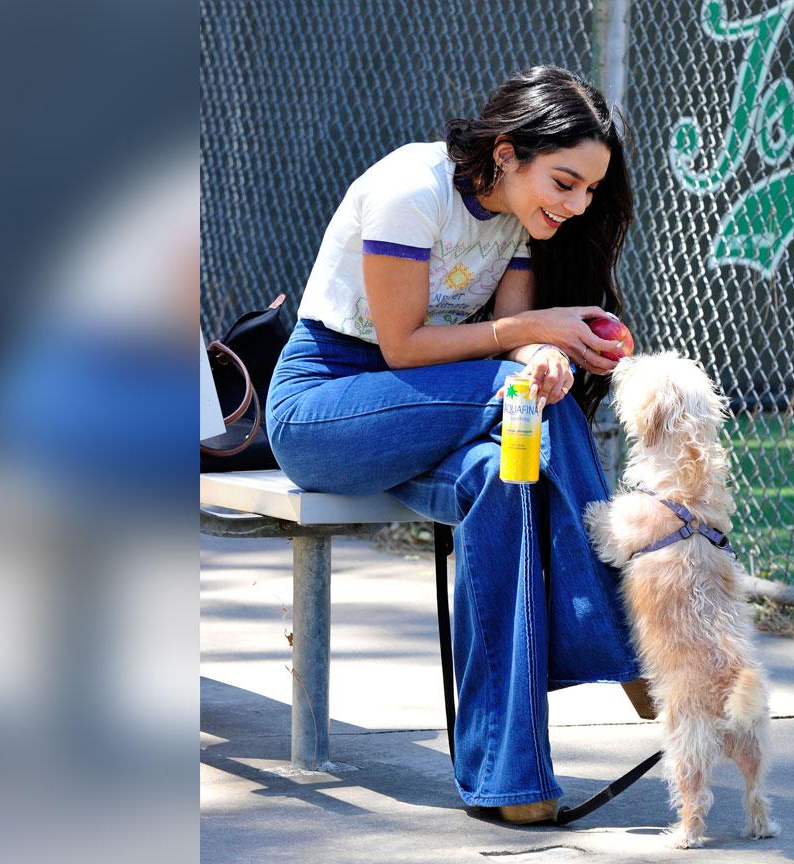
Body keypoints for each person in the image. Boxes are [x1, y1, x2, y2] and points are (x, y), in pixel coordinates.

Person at [266, 65, 647, 824]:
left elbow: (503, 352)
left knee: (502, 474)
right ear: (507, 152)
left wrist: (542, 362)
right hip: (326, 410)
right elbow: (404, 347)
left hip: (440, 413)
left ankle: (510, 779)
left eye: (588, 193)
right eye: (564, 182)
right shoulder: (415, 189)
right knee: (508, 402)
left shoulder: (518, 219)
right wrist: (529, 337)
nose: (574, 207)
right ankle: (632, 634)